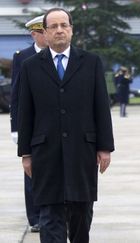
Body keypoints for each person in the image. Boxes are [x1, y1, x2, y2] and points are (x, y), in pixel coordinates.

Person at [17, 8, 114, 243]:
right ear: (45, 33)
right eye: (54, 27)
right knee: (50, 215)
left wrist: (104, 147)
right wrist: (25, 153)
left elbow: (101, 106)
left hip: (82, 150)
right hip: (45, 152)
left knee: (81, 213)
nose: (59, 30)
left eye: (64, 25)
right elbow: (25, 112)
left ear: (71, 30)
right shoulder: (30, 66)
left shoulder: (91, 63)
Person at [10, 15, 47, 233]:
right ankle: (35, 217)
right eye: (43, 32)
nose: (48, 35)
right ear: (34, 34)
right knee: (31, 171)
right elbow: (16, 94)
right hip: (30, 125)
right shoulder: (22, 57)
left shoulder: (58, 55)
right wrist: (15, 127)